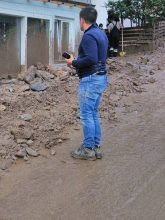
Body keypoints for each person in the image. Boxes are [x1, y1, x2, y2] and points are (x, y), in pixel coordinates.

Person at [65, 7, 109, 161]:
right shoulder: (100, 33)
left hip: (90, 79)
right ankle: (96, 147)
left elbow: (91, 58)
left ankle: (88, 149)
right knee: (93, 113)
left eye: (79, 20)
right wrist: (78, 60)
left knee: (86, 115)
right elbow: (96, 57)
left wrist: (73, 62)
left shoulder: (89, 36)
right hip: (100, 77)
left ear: (82, 20)